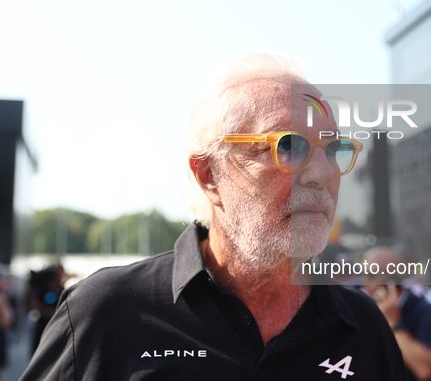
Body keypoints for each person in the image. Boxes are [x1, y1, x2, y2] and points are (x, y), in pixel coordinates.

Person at [20, 53, 405, 381]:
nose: (323, 173)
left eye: (334, 149)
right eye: (288, 145)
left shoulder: (362, 326)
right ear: (210, 175)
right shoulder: (104, 312)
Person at [362, 246, 431, 381]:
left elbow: (425, 370)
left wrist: (395, 323)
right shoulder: (368, 308)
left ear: (392, 279)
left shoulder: (424, 311)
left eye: (371, 275)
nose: (364, 282)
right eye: (362, 274)